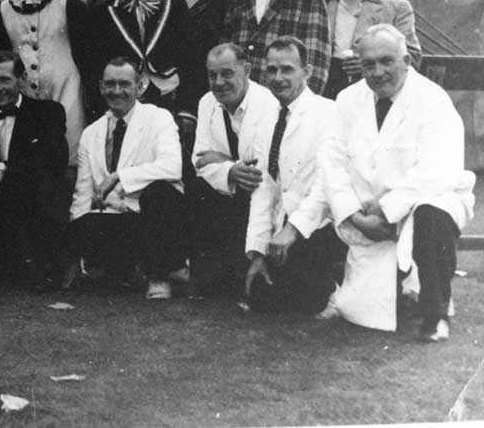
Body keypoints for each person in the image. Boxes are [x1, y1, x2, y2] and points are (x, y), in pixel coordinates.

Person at [325, 24, 475, 341]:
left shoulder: (433, 100)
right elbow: (332, 165)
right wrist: (355, 216)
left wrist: (386, 208)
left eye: (387, 61)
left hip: (424, 202)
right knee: (359, 307)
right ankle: (398, 282)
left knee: (432, 213)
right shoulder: (346, 100)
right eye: (369, 64)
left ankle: (436, 313)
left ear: (407, 60)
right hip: (366, 219)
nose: (378, 72)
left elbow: (438, 169)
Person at [68, 58, 188, 300]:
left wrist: (119, 176)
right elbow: (82, 194)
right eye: (110, 84)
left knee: (160, 191)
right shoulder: (91, 133)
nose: (116, 91)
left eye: (124, 84)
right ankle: (128, 269)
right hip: (117, 222)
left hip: (152, 217)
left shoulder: (159, 118)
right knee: (81, 226)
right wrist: (76, 245)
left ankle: (159, 275)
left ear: (140, 86)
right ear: (101, 87)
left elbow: (173, 168)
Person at [243, 37, 342, 315]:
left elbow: (326, 186)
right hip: (282, 226)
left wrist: (293, 229)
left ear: (306, 71)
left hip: (320, 225)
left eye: (287, 69)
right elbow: (265, 188)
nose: (278, 78)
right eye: (271, 70)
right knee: (260, 298)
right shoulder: (267, 117)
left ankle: (335, 284)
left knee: (306, 304)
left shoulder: (328, 112)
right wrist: (258, 252)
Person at [80, 0, 199, 155]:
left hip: (167, 101)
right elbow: (95, 68)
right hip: (125, 105)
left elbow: (191, 62)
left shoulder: (175, 7)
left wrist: (187, 110)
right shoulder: (105, 13)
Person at [0, 52, 67, 290]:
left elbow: (49, 161)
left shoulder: (49, 112)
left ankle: (41, 266)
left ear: (22, 78)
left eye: (5, 79)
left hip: (36, 204)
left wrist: (3, 167)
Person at [0, 0, 87, 163]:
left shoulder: (68, 2)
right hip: (26, 103)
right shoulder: (2, 10)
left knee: (70, 162)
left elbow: (87, 53)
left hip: (67, 96)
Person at [187, 42, 276, 296]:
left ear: (247, 69)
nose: (219, 82)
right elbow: (200, 161)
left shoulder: (267, 103)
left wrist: (223, 162)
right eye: (212, 75)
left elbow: (259, 168)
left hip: (257, 196)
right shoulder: (207, 102)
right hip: (225, 193)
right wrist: (232, 170)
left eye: (227, 73)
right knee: (196, 188)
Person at [323, 0, 421, 98]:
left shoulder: (396, 8)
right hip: (327, 91)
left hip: (375, 91)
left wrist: (369, 64)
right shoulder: (322, 5)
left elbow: (412, 58)